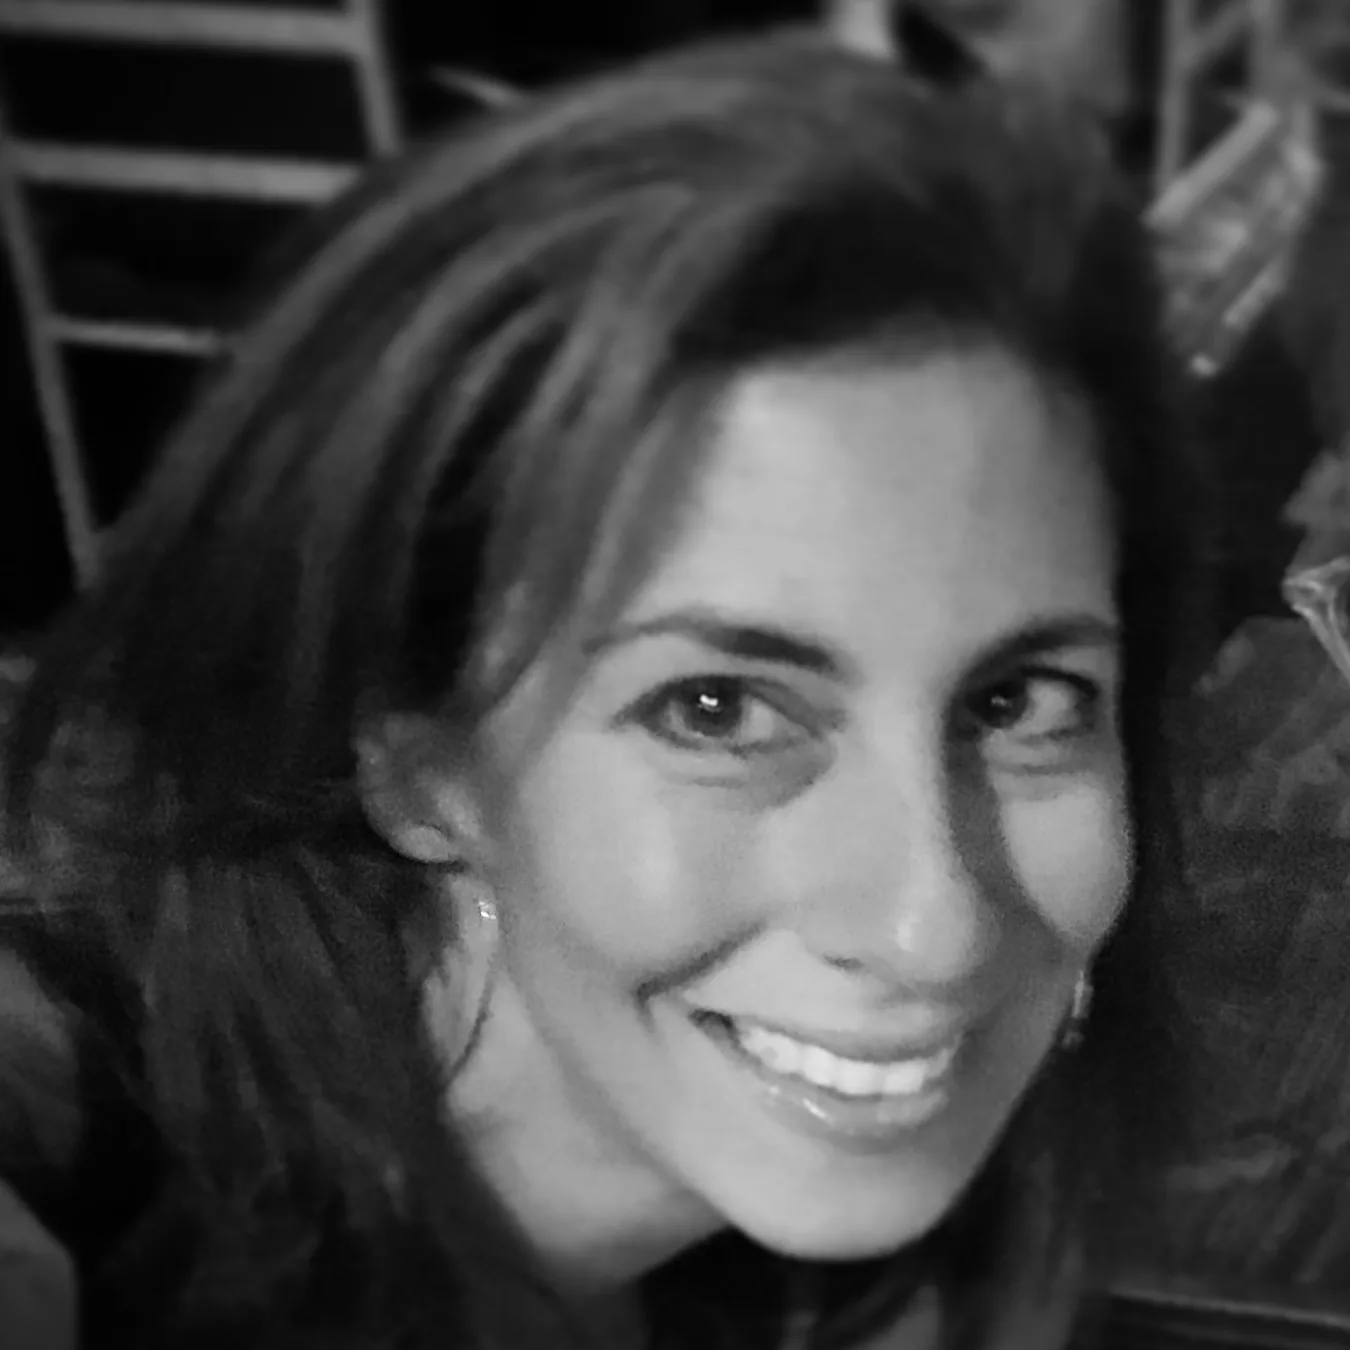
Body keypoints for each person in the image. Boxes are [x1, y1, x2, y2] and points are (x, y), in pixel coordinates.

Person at [0, 32, 1201, 1350]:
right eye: (717, 710)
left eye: (1016, 702)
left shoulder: (937, 1230)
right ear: (419, 767)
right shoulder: (72, 1103)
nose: (937, 930)